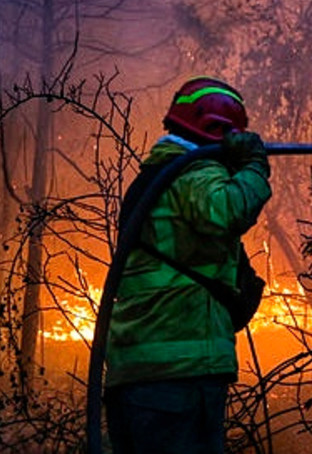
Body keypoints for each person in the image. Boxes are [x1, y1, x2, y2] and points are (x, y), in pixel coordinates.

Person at [104, 76, 271, 454]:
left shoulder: (159, 177)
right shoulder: (194, 172)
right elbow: (229, 209)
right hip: (179, 374)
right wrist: (254, 165)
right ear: (222, 133)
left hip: (136, 373)